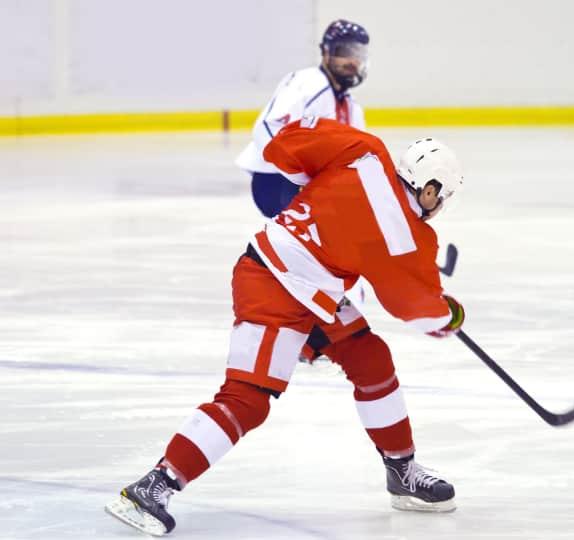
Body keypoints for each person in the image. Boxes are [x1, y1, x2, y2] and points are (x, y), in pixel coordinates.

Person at [105, 118, 467, 536]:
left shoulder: (363, 150)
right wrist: (450, 316)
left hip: (307, 288)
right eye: (441, 200)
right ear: (430, 189)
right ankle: (155, 485)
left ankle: (401, 472)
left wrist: (321, 198)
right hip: (273, 286)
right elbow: (416, 308)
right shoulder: (409, 239)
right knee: (247, 399)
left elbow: (284, 147)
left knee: (371, 359)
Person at [236, 19, 369, 218]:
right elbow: (267, 126)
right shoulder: (307, 84)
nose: (352, 60)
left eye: (357, 53)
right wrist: (299, 175)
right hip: (277, 182)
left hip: (308, 184)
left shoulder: (351, 105)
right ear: (325, 52)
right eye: (344, 52)